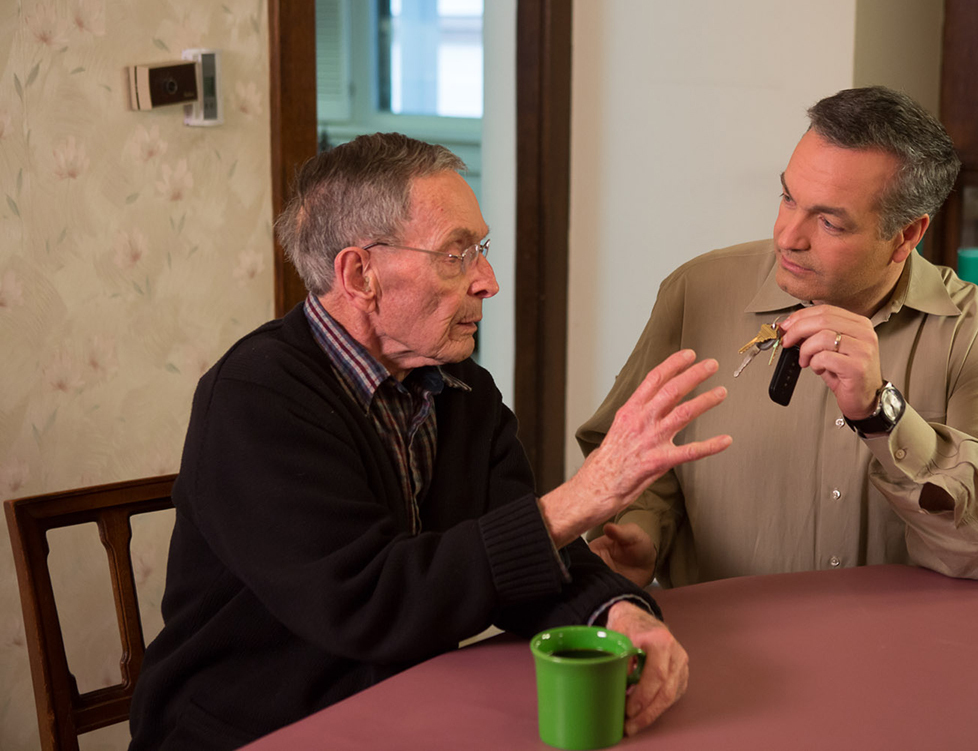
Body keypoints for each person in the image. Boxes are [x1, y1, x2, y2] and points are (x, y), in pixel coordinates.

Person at [128, 134, 732, 749]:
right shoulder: (255, 396)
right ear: (360, 274)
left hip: (404, 713)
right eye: (456, 254)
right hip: (252, 731)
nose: (488, 281)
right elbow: (369, 603)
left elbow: (525, 556)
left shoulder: (463, 388)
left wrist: (620, 612)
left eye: (481, 249)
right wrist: (583, 497)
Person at [578, 86, 978, 589]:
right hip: (721, 645)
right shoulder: (696, 291)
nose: (788, 236)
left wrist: (881, 414)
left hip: (900, 656)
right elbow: (634, 459)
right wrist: (643, 533)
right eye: (788, 198)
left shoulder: (969, 332)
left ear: (906, 236)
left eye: (828, 221)